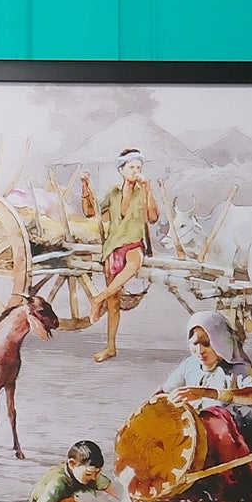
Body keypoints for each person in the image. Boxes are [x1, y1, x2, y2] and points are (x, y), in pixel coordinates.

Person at [158, 310, 252, 502]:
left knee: (213, 417)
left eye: (206, 344)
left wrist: (207, 393)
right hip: (200, 442)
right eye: (195, 344)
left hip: (235, 442)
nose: (200, 351)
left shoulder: (236, 368)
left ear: (220, 342)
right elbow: (164, 392)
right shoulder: (190, 365)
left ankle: (231, 489)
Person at [87, 149, 159, 363]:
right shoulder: (113, 192)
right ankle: (110, 347)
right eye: (131, 168)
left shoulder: (142, 190)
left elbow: (153, 217)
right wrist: (84, 187)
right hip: (112, 247)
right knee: (114, 303)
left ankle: (98, 297)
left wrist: (148, 188)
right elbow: (91, 212)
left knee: (133, 263)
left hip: (134, 244)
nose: (136, 172)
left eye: (139, 168)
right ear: (121, 170)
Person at [31, 439, 106, 502]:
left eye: (97, 473)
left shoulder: (86, 472)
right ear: (72, 464)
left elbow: (109, 486)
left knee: (88, 497)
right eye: (89, 474)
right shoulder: (58, 483)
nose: (94, 477)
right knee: (81, 500)